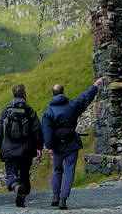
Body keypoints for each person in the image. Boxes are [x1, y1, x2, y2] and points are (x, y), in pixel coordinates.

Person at [42, 76, 106, 210]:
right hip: (72, 143)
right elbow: (85, 98)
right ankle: (63, 199)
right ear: (63, 92)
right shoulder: (72, 105)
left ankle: (55, 195)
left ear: (52, 94)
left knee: (57, 170)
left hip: (57, 145)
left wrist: (49, 147)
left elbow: (47, 132)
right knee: (69, 170)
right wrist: (95, 85)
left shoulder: (48, 112)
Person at [0, 83, 43, 208]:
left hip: (8, 149)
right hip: (26, 150)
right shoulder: (29, 110)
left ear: (13, 94)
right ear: (24, 94)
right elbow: (37, 129)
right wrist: (39, 147)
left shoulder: (6, 110)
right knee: (25, 174)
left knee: (11, 173)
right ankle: (22, 195)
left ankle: (15, 187)